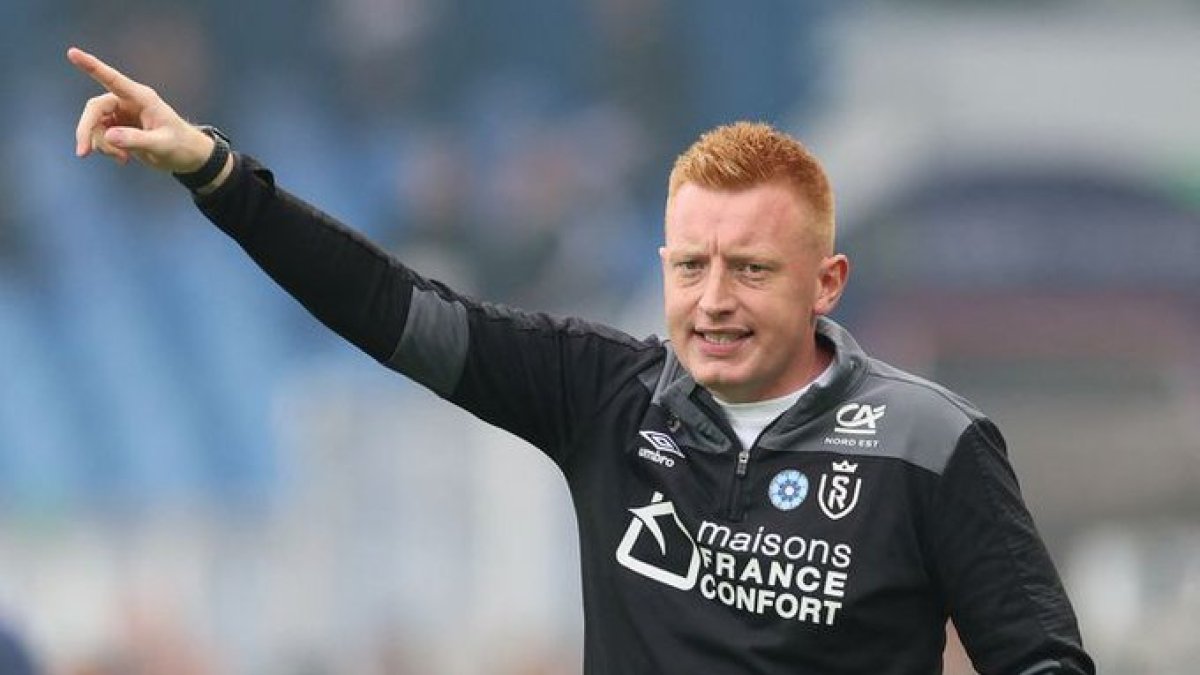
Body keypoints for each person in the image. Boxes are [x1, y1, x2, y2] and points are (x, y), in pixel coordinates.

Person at [67, 46, 1094, 674]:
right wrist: (216, 172)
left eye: (751, 268)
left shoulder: (932, 442)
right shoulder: (605, 395)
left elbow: (1041, 660)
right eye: (690, 265)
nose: (714, 299)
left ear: (826, 282)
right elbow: (390, 308)